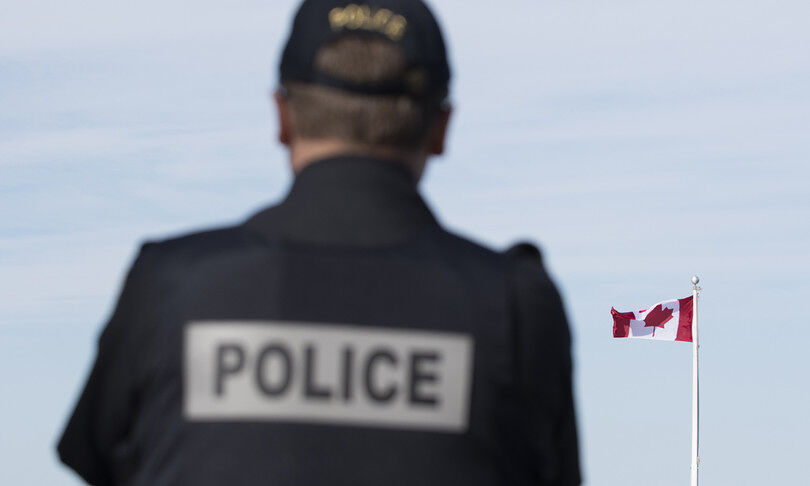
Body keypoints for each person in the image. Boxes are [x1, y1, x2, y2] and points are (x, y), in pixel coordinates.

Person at [57, 0, 581, 484]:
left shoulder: (170, 287)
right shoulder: (513, 307)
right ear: (442, 128)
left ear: (282, 117)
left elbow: (101, 457)